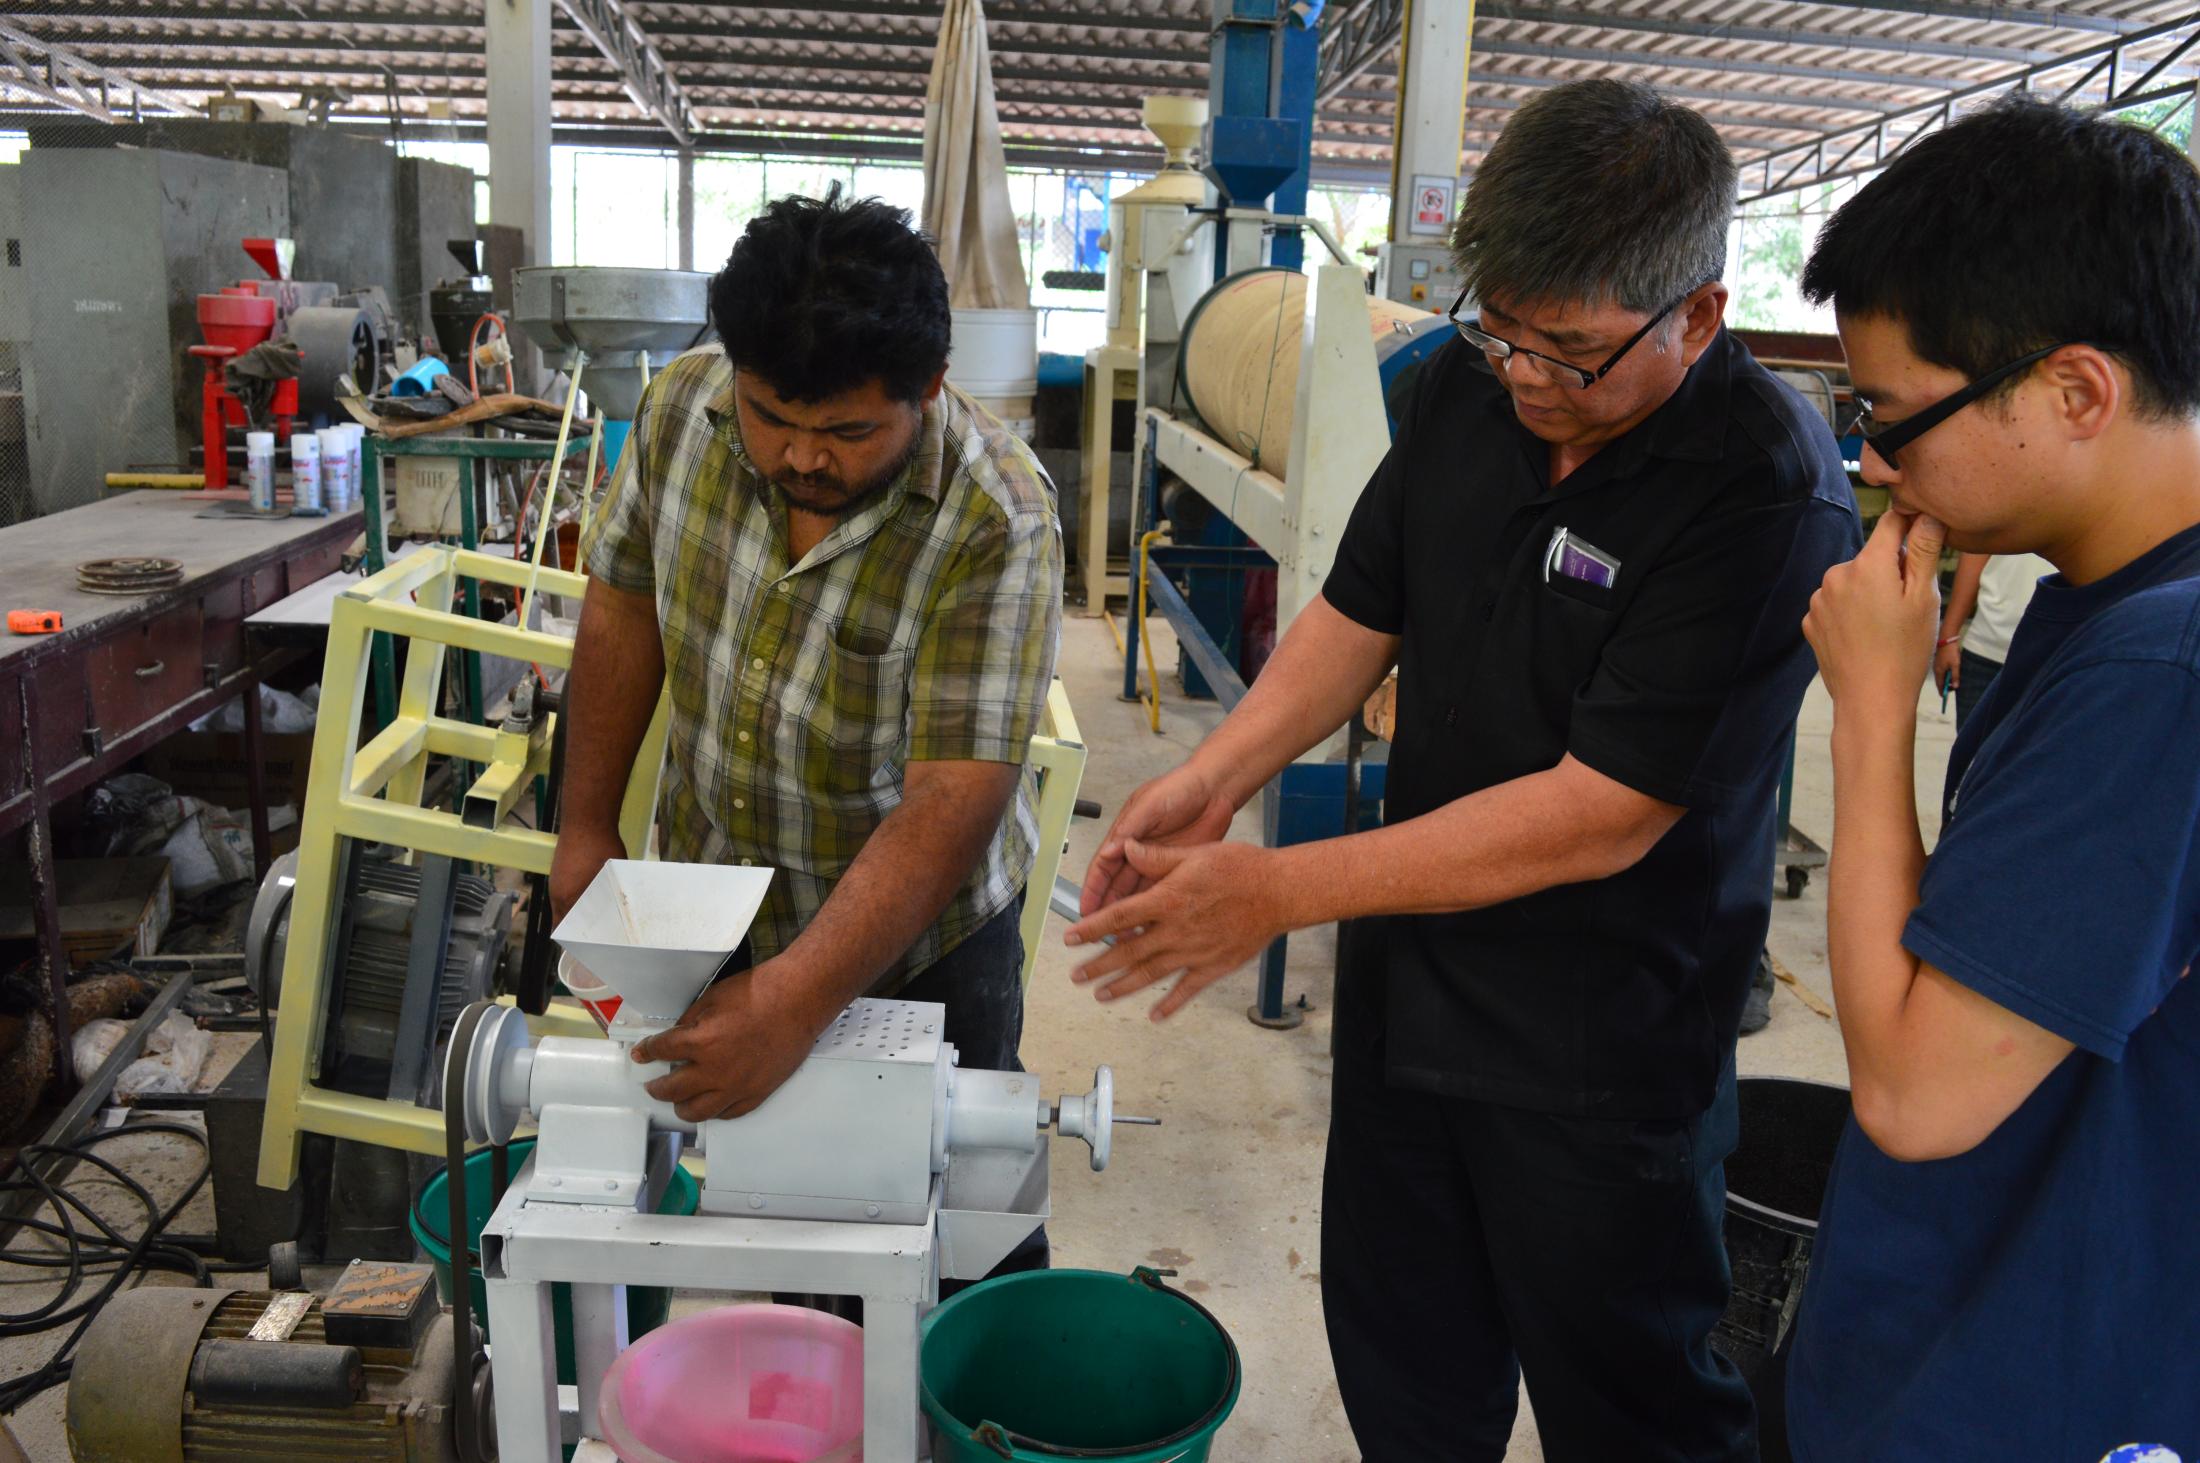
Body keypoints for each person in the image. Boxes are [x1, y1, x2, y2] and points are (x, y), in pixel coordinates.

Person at [1068, 79, 1860, 1461]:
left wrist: (1277, 889)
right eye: (1506, 334)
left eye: (1573, 352)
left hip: (1606, 1044)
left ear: (1700, 315)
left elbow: (1600, 813)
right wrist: (1222, 771)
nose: (1533, 381)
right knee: (1409, 1368)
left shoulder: (1766, 491)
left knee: (1632, 1401)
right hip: (1413, 1000)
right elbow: (1361, 608)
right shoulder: (1460, 385)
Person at [1787, 98, 2200, 1460]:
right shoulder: (2110, 594)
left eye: (1900, 418)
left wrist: (1871, 708)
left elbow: (1914, 1090)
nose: (1873, 458)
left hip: (2034, 1378)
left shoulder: (2159, 671)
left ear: (2077, 390)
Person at [552, 189, 1062, 1160]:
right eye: (771, 415)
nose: (800, 456)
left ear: (932, 386)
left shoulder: (998, 518)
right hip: (711, 895)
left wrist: (793, 996)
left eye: (846, 431)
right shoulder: (678, 412)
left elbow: (953, 791)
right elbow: (622, 603)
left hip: (917, 942)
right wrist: (583, 826)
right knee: (775, 1199)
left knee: (948, 1221)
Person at [1932, 549, 2053, 727]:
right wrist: (1948, 636)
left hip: (2060, 657)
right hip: (1985, 650)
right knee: (1973, 754)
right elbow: (1976, 550)